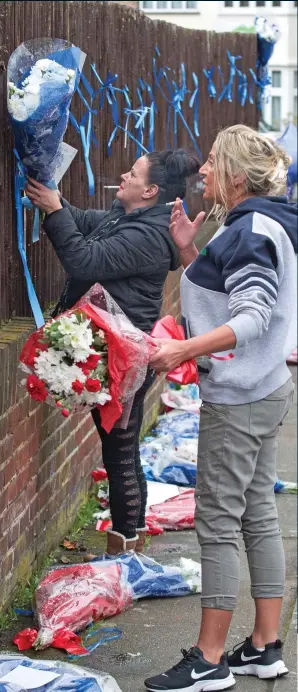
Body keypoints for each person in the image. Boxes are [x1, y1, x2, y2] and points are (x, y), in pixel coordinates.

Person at [146, 125, 297, 691]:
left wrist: (183, 348)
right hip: (266, 388)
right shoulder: (256, 222)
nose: (202, 170)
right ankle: (263, 646)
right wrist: (189, 249)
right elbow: (229, 293)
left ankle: (208, 661)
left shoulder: (251, 229)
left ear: (236, 175)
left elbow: (254, 314)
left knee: (217, 524)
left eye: (212, 162)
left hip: (240, 398)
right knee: (258, 514)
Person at [25, 149, 200, 556]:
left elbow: (85, 260)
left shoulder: (146, 235)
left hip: (127, 361)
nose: (123, 175)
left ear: (150, 190)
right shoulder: (136, 218)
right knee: (122, 447)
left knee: (119, 453)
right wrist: (53, 201)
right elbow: (87, 223)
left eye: (133, 173)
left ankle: (124, 552)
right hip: (126, 355)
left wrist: (53, 213)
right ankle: (130, 540)